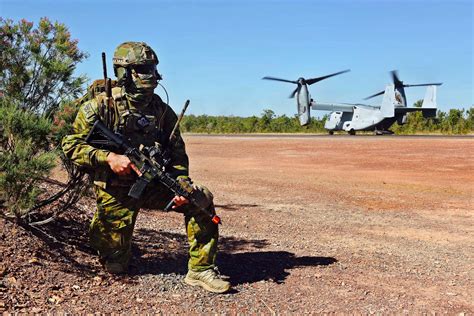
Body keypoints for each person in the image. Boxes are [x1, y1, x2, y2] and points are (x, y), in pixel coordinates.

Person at [62, 42, 230, 293]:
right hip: (115, 188)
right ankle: (109, 239)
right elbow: (70, 145)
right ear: (124, 72)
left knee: (201, 199)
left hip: (153, 184)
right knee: (115, 263)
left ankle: (201, 270)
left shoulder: (163, 112)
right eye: (141, 69)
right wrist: (108, 158)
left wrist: (181, 185)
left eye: (151, 68)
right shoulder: (99, 107)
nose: (149, 75)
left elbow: (177, 157)